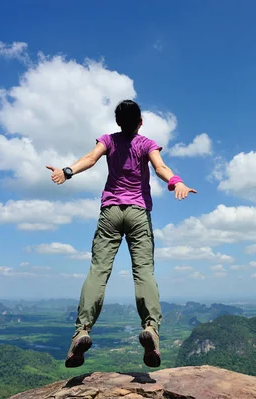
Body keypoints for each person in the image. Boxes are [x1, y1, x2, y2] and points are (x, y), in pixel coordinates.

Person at [46, 99, 197, 369]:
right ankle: (150, 328)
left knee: (98, 271)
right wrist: (177, 182)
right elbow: (160, 168)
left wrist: (66, 172)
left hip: (111, 212)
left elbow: (90, 159)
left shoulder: (108, 140)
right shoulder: (147, 143)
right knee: (144, 272)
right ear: (140, 122)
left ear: (117, 122)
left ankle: (82, 331)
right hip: (138, 212)